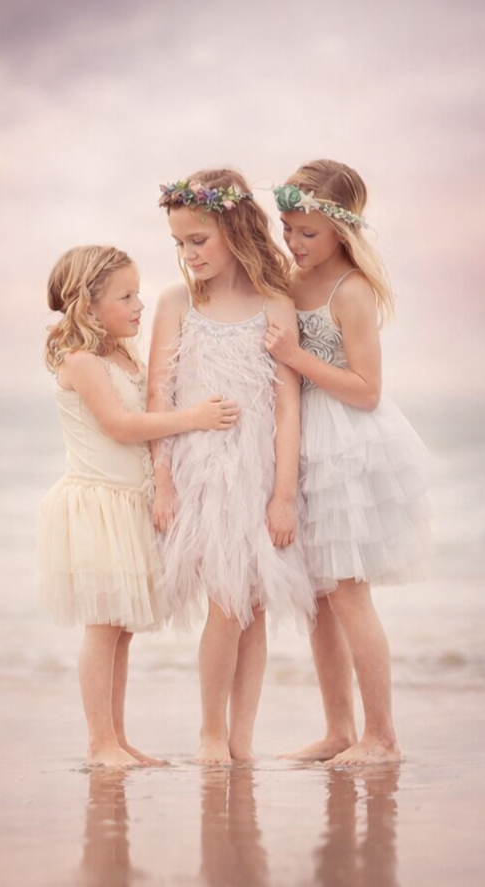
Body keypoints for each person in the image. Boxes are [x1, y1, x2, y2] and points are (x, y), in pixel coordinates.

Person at [38, 244, 239, 768]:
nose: (139, 305)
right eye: (125, 296)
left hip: (130, 503)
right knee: (103, 627)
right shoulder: (80, 361)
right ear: (88, 304)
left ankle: (118, 739)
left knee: (122, 629)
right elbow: (121, 427)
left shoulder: (123, 355)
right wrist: (194, 417)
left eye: (138, 294)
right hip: (97, 504)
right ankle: (98, 742)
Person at [265, 160, 431, 766]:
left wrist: (294, 355)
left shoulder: (351, 291)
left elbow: (366, 389)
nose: (295, 242)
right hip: (299, 441)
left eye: (307, 232)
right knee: (318, 597)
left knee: (349, 591)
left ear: (342, 230)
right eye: (288, 228)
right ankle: (339, 729)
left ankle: (381, 735)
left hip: (344, 443)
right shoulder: (289, 278)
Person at [149, 170, 316, 765]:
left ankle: (242, 737)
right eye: (180, 243)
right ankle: (209, 732)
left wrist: (283, 494)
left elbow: (288, 407)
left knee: (254, 609)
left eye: (199, 240)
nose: (188, 254)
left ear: (235, 229)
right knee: (225, 601)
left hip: (260, 471)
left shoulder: (275, 303)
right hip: (204, 469)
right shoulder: (177, 304)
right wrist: (163, 481)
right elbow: (159, 398)